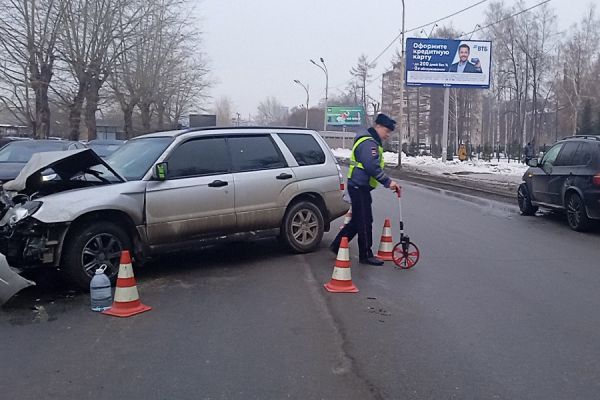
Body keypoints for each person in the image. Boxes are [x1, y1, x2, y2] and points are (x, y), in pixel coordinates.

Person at [330, 114, 400, 266]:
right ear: (378, 126)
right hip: (359, 186)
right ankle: (366, 254)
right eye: (387, 131)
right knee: (365, 221)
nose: (387, 135)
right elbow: (371, 167)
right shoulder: (369, 143)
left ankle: (337, 245)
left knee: (357, 220)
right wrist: (388, 182)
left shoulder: (370, 140)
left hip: (359, 186)